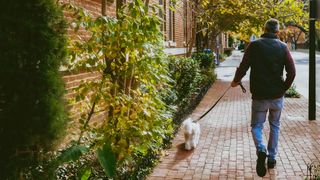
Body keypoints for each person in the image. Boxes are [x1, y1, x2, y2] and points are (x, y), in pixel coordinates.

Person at [231, 18, 296, 177]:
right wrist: (283, 88)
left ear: (264, 29)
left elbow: (243, 67)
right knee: (275, 126)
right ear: (277, 32)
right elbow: (292, 72)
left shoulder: (254, 45)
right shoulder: (283, 47)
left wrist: (235, 81)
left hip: (259, 95)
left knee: (256, 126)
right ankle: (272, 158)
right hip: (277, 96)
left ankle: (261, 149)